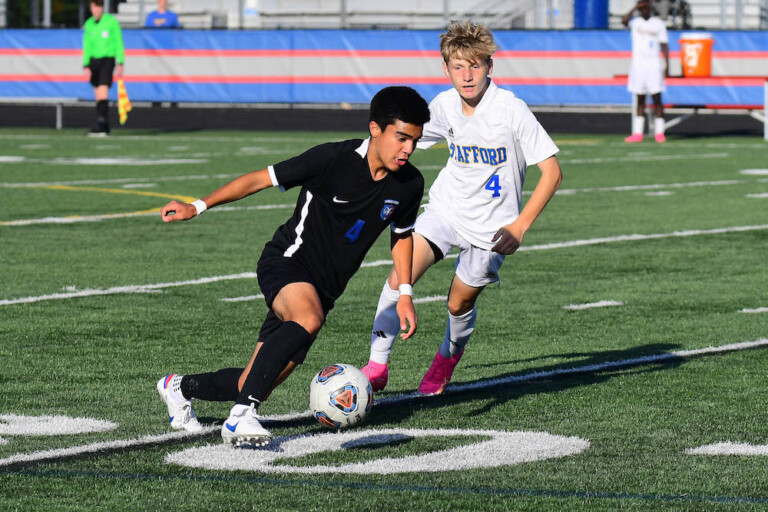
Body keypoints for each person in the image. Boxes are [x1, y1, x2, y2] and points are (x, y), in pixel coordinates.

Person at [156, 86, 430, 446]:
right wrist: (198, 206)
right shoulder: (333, 159)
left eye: (415, 141)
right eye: (402, 138)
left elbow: (403, 237)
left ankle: (178, 388)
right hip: (286, 261)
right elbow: (260, 178)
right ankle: (240, 418)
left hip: (325, 291)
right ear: (375, 128)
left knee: (253, 382)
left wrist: (406, 292)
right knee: (306, 319)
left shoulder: (410, 184)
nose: (408, 149)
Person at [360, 21, 562, 395]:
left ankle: (446, 358)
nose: (466, 76)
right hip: (446, 211)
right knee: (399, 275)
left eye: (474, 65)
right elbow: (404, 138)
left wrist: (519, 227)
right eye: (458, 67)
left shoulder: (511, 109)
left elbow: (551, 172)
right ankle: (376, 365)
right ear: (445, 68)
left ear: (489, 66)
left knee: (458, 302)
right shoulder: (444, 106)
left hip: (493, 230)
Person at [623, 0, 670, 143]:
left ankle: (659, 132)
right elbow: (624, 21)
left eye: (646, 7)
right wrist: (634, 7)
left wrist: (668, 65)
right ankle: (638, 132)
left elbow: (664, 45)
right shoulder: (635, 23)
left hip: (654, 66)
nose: (644, 10)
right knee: (640, 99)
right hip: (638, 66)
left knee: (657, 99)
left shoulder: (658, 24)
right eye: (642, 7)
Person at [82, 0, 124, 137]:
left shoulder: (111, 22)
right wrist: (86, 64)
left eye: (99, 6)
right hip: (94, 61)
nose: (97, 10)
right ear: (91, 8)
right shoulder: (88, 24)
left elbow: (118, 41)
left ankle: (101, 124)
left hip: (107, 59)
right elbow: (87, 46)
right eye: (94, 7)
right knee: (97, 94)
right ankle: (104, 124)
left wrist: (120, 61)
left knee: (103, 90)